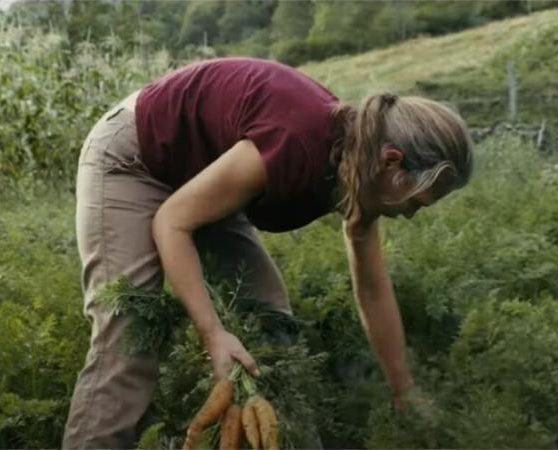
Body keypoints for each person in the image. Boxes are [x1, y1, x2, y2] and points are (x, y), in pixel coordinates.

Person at [63, 56, 473, 449]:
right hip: (135, 157)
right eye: (416, 202)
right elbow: (172, 222)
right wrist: (213, 335)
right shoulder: (299, 143)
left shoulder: (362, 171)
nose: (412, 215)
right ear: (391, 162)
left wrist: (403, 390)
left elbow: (372, 289)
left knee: (272, 323)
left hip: (201, 172)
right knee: (129, 335)